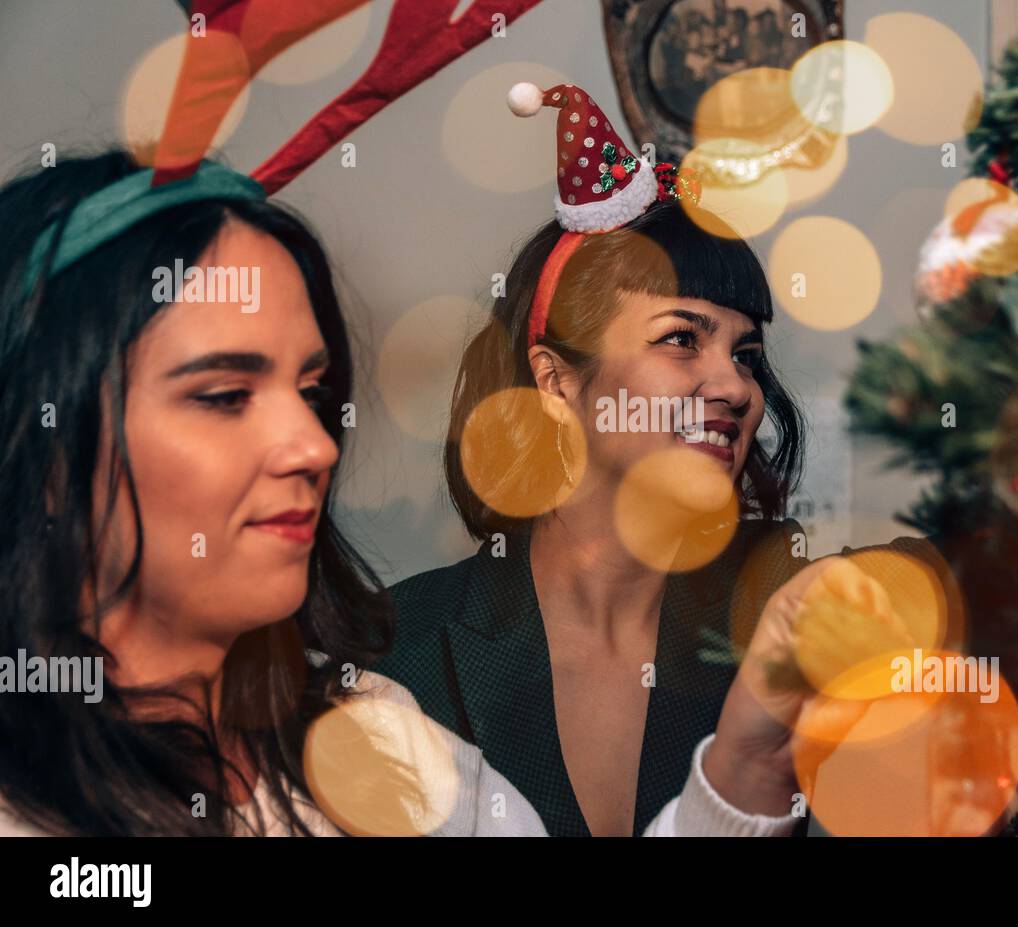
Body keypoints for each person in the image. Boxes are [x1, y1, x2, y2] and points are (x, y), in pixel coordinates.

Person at [0, 148, 843, 837]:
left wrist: (748, 764)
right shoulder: (406, 654)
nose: (316, 443)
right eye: (224, 394)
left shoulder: (377, 735)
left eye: (314, 393)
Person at [376, 82, 813, 836]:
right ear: (557, 381)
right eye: (682, 337)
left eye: (746, 354)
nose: (736, 385)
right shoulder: (394, 650)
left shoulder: (777, 642)